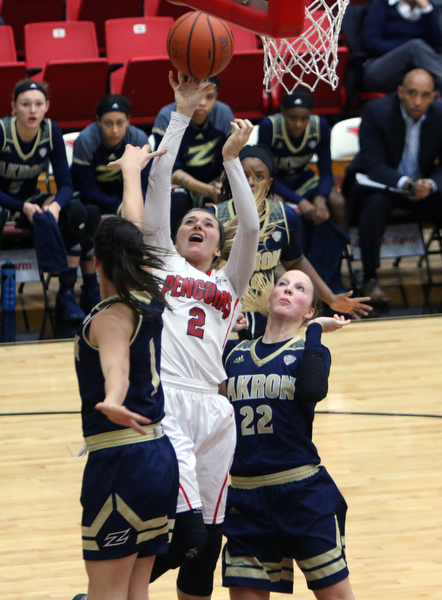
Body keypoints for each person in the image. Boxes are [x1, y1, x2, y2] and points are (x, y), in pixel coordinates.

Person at [115, 72, 260, 600]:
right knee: (185, 531)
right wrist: (178, 115)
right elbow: (160, 185)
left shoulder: (228, 281)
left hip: (216, 411)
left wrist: (231, 161)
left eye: (207, 223)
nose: (197, 224)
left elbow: (249, 227)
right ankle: (109, 591)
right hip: (169, 400)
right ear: (174, 235)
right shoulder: (160, 259)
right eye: (188, 221)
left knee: (208, 545)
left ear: (217, 244)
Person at [221, 269, 356, 600]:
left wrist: (314, 332)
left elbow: (312, 390)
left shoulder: (311, 350)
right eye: (282, 284)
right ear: (269, 298)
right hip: (245, 495)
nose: (288, 289)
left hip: (301, 493)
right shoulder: (235, 355)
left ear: (310, 310)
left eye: (299, 288)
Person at [73, 214, 179, 600]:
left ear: (95, 261)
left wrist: (113, 400)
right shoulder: (148, 300)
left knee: (107, 595)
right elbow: (130, 224)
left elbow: (115, 366)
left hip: (121, 461)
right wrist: (132, 171)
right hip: (158, 457)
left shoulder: (110, 318)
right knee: (136, 592)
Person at [214, 144, 371, 340]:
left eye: (259, 176)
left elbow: (295, 261)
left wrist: (330, 298)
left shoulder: (285, 217)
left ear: (269, 183)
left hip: (265, 312)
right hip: (222, 309)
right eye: (244, 176)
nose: (251, 182)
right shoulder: (214, 218)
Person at [0, 79, 100, 321]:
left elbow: (65, 184)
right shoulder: (2, 130)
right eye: (26, 104)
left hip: (30, 199)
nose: (32, 110)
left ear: (46, 107)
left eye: (38, 104)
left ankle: (67, 292)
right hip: (6, 201)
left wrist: (55, 206)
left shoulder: (51, 130)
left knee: (78, 211)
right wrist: (20, 206)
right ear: (14, 106)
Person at [343, 68, 442, 303]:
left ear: (433, 97)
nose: (418, 101)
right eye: (412, 93)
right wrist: (408, 184)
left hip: (421, 188)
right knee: (374, 206)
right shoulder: (376, 112)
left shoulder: (439, 116)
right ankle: (370, 277)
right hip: (380, 186)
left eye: (425, 95)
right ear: (400, 92)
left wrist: (430, 184)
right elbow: (373, 164)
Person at [258, 89, 349, 293]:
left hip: (302, 179)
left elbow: (326, 172)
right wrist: (300, 201)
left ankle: (333, 271)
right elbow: (264, 175)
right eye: (292, 118)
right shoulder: (269, 127)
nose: (298, 124)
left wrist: (322, 199)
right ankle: (275, 280)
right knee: (277, 207)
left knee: (338, 203)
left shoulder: (320, 126)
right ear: (282, 113)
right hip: (274, 183)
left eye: (303, 119)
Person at [152, 75, 235, 234]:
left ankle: (221, 250)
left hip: (214, 180)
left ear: (216, 96)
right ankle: (174, 248)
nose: (202, 102)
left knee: (228, 196)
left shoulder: (223, 113)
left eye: (209, 97)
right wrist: (208, 190)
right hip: (179, 184)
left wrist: (222, 186)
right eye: (198, 96)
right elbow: (168, 169)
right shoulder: (166, 116)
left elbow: (231, 158)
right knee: (177, 200)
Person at [71, 94, 151, 217]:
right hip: (94, 201)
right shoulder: (86, 140)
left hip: (127, 196)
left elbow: (145, 184)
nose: (115, 130)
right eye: (108, 123)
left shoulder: (138, 139)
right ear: (99, 121)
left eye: (120, 123)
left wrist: (137, 206)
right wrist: (119, 206)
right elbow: (85, 187)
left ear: (128, 120)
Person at [362, 0, 442, 93]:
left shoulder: (429, 8)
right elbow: (371, 44)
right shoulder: (381, 4)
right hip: (380, 67)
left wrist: (427, 10)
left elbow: (437, 45)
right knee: (414, 47)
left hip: (415, 70)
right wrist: (406, 48)